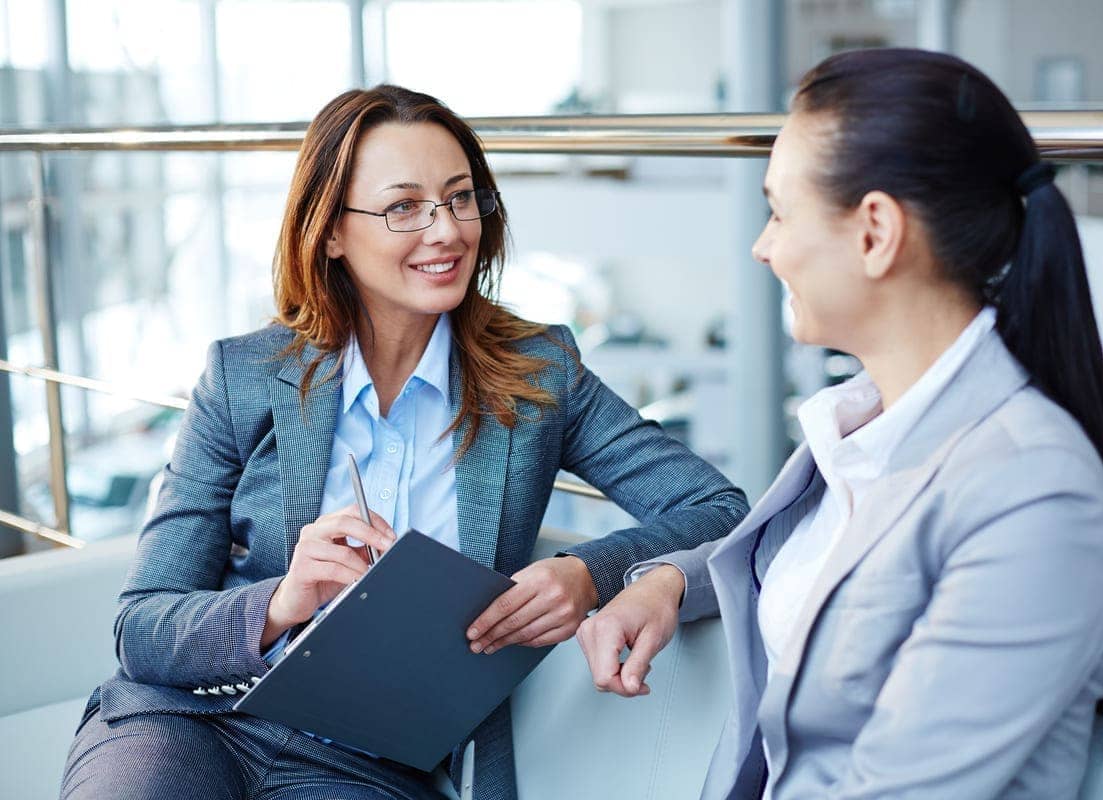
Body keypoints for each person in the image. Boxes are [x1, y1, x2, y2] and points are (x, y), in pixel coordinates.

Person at [59, 85, 748, 800]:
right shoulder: (244, 377)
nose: (446, 231)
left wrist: (589, 574)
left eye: (459, 198)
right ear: (330, 232)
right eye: (403, 207)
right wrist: (282, 603)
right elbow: (142, 626)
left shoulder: (540, 377)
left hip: (369, 762)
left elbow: (719, 506)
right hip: (192, 720)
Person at [576, 48, 1103, 799]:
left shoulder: (1032, 489)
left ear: (874, 233)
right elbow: (820, 576)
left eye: (778, 210)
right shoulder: (868, 428)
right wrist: (669, 580)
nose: (763, 247)